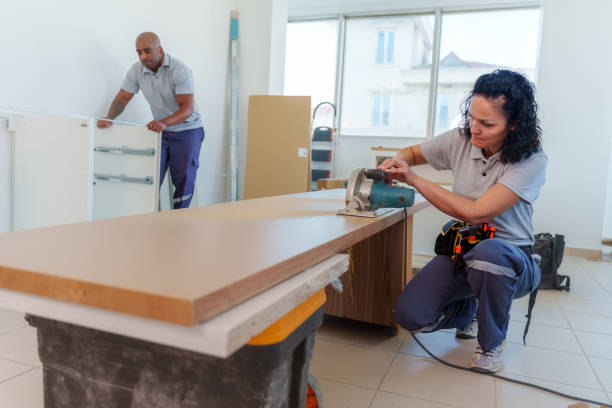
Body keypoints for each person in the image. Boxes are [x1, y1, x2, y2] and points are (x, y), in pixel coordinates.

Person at [379, 69, 547, 373]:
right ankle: (471, 309)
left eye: (487, 124)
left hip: (510, 256)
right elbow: (412, 152)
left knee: (489, 254)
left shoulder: (532, 160)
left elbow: (475, 212)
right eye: (471, 117)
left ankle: (490, 344)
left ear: (514, 125)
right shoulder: (461, 139)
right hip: (467, 250)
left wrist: (414, 179)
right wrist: (399, 160)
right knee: (410, 315)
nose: (475, 129)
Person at [97, 32, 204, 209]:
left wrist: (163, 123)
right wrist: (109, 117)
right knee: (150, 177)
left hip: (188, 131)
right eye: (139, 52)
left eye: (147, 51)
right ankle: (149, 221)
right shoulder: (136, 70)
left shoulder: (179, 70)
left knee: (183, 179)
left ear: (160, 50)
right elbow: (123, 97)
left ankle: (180, 220)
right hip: (162, 133)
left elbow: (187, 109)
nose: (143, 56)